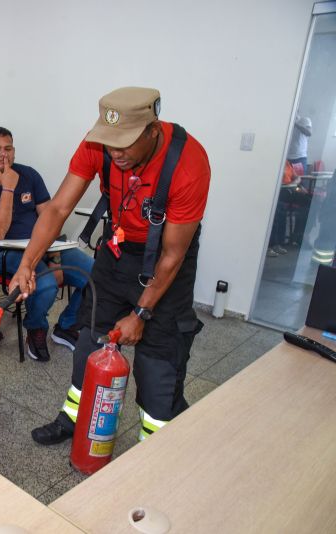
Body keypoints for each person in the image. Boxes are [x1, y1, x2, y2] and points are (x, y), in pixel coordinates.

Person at [13, 87, 211, 446]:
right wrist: (27, 262)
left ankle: (159, 446)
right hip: (117, 251)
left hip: (166, 259)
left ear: (152, 130)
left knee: (158, 364)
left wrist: (140, 313)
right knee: (91, 341)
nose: (115, 152)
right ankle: (74, 417)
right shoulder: (97, 146)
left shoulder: (188, 161)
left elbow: (172, 255)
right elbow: (58, 209)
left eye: (125, 143)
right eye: (109, 143)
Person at [0, 127, 93, 362]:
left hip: (43, 247)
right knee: (43, 284)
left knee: (97, 275)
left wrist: (53, 256)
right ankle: (35, 328)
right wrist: (8, 187)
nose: (4, 155)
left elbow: (50, 218)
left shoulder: (30, 175)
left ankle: (67, 324)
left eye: (8, 148)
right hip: (4, 253)